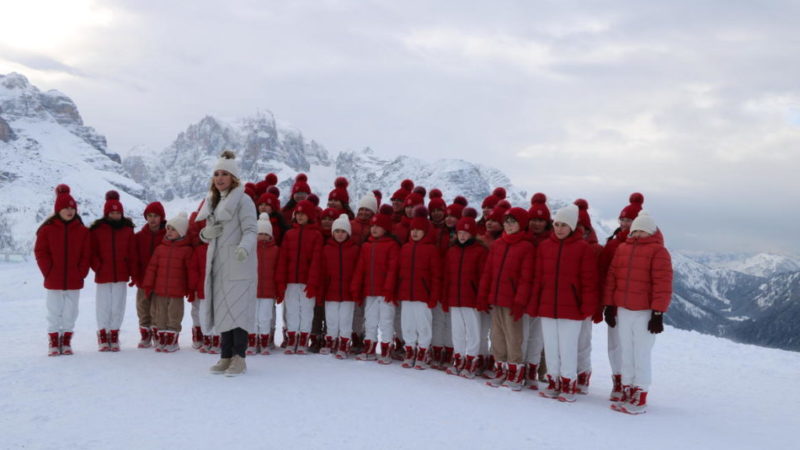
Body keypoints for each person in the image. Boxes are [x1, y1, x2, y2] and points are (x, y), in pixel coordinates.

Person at [195, 151, 258, 377]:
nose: (219, 178)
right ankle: (225, 356)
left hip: (240, 264)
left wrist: (244, 248)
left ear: (233, 177)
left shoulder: (244, 200)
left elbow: (251, 230)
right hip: (218, 264)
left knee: (238, 311)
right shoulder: (213, 201)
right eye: (216, 174)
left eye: (224, 174)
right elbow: (206, 233)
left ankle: (239, 358)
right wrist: (205, 234)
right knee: (222, 310)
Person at [604, 210, 672, 415]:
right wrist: (610, 305)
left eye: (642, 231)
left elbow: (662, 284)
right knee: (626, 352)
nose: (638, 234)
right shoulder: (623, 249)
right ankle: (627, 389)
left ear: (650, 232)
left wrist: (658, 313)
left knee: (641, 353)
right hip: (624, 309)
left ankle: (640, 393)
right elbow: (612, 278)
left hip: (644, 312)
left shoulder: (658, 252)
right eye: (635, 231)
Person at [532, 204, 599, 403]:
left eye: (564, 225)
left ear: (572, 227)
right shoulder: (545, 247)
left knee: (567, 348)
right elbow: (538, 278)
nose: (559, 229)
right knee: (551, 347)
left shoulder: (583, 248)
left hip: (572, 309)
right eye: (557, 224)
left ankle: (569, 384)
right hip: (547, 306)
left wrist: (587, 307)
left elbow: (589, 281)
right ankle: (553, 382)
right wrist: (535, 302)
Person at [478, 207, 535, 391]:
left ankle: (515, 373)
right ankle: (501, 369)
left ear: (521, 224)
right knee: (497, 336)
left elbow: (526, 278)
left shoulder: (526, 246)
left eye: (513, 222)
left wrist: (520, 301)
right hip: (496, 298)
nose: (509, 226)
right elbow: (488, 272)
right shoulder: (498, 244)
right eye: (507, 222)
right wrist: (484, 295)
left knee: (513, 337)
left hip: (512, 301)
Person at [34, 185, 91, 356]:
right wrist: (48, 271)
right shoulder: (47, 230)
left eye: (72, 208)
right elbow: (40, 252)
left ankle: (65, 341)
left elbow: (86, 254)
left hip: (74, 279)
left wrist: (81, 272)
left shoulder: (82, 230)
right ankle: (54, 341)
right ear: (58, 209)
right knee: (54, 311)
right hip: (54, 279)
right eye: (66, 208)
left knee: (71, 312)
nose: (70, 211)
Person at [599, 192, 644, 401]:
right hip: (615, 302)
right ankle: (618, 381)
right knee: (615, 344)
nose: (625, 224)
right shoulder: (613, 243)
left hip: (637, 305)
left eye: (629, 220)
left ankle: (632, 383)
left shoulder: (646, 245)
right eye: (623, 219)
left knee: (633, 345)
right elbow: (604, 274)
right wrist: (605, 303)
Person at [351, 205, 400, 362]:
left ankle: (386, 350)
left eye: (378, 226)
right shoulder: (366, 246)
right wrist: (356, 287)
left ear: (386, 229)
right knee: (370, 320)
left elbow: (393, 269)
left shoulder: (392, 245)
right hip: (370, 291)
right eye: (372, 226)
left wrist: (389, 288)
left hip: (386, 293)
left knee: (386, 321)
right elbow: (360, 268)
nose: (374, 229)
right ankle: (369, 349)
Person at [90, 190, 137, 352]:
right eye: (112, 213)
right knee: (103, 306)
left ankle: (114, 334)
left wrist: (132, 271)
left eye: (118, 213)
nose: (116, 215)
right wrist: (97, 266)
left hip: (121, 273)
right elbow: (91, 251)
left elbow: (132, 252)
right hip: (103, 274)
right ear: (106, 213)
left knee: (118, 306)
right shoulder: (97, 229)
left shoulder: (127, 229)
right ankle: (103, 334)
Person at [443, 213, 488, 378]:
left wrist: (481, 297)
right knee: (457, 331)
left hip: (471, 299)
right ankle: (459, 359)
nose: (462, 236)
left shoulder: (480, 251)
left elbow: (483, 276)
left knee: (473, 331)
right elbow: (447, 276)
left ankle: (471, 361)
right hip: (455, 298)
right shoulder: (452, 251)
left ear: (472, 234)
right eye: (460, 232)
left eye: (466, 233)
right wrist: (446, 297)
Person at [309, 214, 360, 358]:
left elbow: (358, 270)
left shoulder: (355, 249)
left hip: (348, 293)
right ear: (332, 232)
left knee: (345, 320)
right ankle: (330, 341)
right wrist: (321, 292)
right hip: (331, 292)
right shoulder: (326, 249)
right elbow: (322, 272)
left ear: (348, 233)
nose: (340, 234)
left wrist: (355, 288)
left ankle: (343, 344)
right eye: (337, 231)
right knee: (331, 319)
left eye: (343, 231)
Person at [276, 199, 323, 355]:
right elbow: (283, 259)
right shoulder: (289, 234)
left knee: (307, 312)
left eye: (303, 214)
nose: (300, 216)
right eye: (298, 213)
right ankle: (292, 339)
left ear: (310, 216)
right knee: (291, 311)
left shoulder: (316, 235)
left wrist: (313, 282)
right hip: (290, 281)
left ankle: (303, 340)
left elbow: (316, 261)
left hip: (307, 282)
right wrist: (281, 281)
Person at [397, 207, 442, 369]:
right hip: (406, 294)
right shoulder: (405, 248)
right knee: (407, 324)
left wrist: (433, 296)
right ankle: (410, 350)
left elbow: (436, 276)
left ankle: (423, 351)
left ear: (426, 232)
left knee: (423, 325)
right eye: (413, 230)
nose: (415, 233)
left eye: (419, 230)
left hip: (423, 295)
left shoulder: (431, 249)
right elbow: (399, 272)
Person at [142, 212, 193, 353]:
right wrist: (148, 285)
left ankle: (172, 340)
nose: (169, 232)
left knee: (174, 315)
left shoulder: (186, 250)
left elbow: (190, 271)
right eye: (168, 229)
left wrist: (191, 288)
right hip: (160, 291)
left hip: (176, 292)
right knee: (160, 315)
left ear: (181, 232)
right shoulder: (160, 248)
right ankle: (162, 339)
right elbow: (152, 268)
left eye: (173, 229)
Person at [132, 201, 167, 349]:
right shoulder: (139, 236)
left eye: (156, 216)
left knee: (158, 308)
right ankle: (145, 334)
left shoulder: (167, 236)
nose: (152, 219)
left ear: (162, 217)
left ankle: (157, 333)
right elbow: (134, 257)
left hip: (160, 280)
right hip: (143, 279)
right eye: (150, 216)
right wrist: (135, 275)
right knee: (143, 307)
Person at [249, 213, 279, 356]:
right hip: (252, 291)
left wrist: (278, 289)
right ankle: (252, 342)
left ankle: (265, 343)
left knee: (265, 317)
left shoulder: (275, 250)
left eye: (265, 234)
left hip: (268, 292)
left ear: (270, 235)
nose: (262, 236)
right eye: (259, 233)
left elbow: (278, 271)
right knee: (253, 317)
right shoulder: (250, 250)